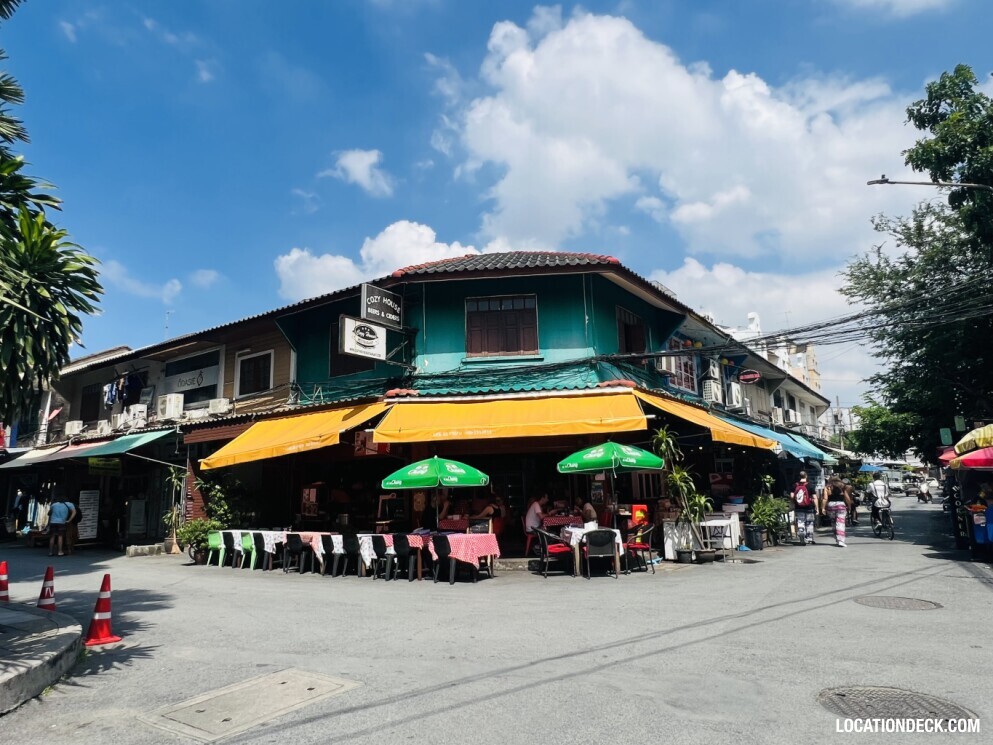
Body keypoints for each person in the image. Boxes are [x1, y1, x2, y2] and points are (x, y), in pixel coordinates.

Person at [823, 476, 852, 547]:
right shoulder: (842, 486)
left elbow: (825, 498)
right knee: (840, 523)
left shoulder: (827, 487)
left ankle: (836, 537)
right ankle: (841, 540)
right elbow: (846, 497)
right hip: (840, 506)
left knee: (833, 522)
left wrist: (823, 508)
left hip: (831, 506)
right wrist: (849, 505)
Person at [792, 470, 816, 545]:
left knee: (800, 521)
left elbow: (792, 496)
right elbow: (814, 497)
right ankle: (809, 538)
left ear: (799, 477)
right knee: (809, 523)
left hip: (798, 507)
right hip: (809, 507)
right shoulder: (810, 485)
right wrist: (817, 507)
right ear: (806, 476)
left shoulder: (795, 485)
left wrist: (795, 502)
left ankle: (801, 533)